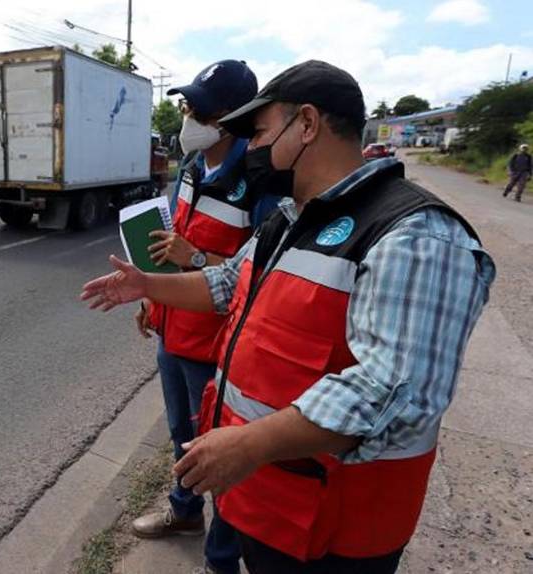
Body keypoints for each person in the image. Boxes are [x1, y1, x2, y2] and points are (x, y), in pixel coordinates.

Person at [81, 60, 495, 572]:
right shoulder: (291, 217)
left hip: (336, 533)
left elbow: (396, 392)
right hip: (271, 504)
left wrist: (252, 444)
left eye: (258, 132)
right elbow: (228, 283)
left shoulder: (415, 237)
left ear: (306, 123)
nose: (251, 149)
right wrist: (148, 286)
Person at [130, 59, 276, 574]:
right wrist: (155, 298)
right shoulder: (192, 169)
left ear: (230, 116)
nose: (186, 117)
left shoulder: (259, 180)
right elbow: (169, 244)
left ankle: (221, 559)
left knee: (218, 452)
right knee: (180, 433)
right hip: (174, 333)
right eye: (186, 106)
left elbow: (264, 272)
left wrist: (195, 258)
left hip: (217, 348)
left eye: (196, 109)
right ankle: (185, 513)